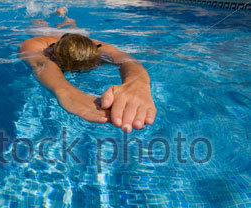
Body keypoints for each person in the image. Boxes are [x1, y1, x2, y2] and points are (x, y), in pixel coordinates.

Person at [20, 10, 156, 133]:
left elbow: (128, 61)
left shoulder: (101, 48)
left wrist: (137, 83)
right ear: (52, 53)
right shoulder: (36, 44)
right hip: (47, 36)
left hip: (78, 38)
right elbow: (42, 63)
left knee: (73, 28)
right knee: (39, 26)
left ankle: (63, 14)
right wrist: (66, 91)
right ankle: (39, 14)